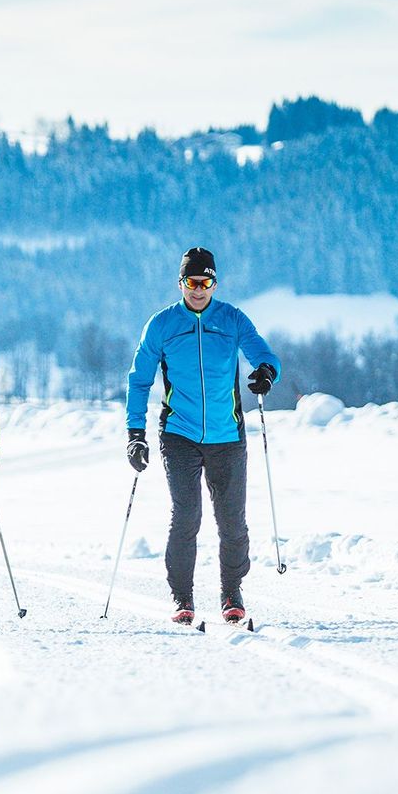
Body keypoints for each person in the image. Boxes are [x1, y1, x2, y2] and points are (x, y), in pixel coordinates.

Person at [125, 247, 281, 625]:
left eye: (206, 282)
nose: (199, 289)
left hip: (227, 435)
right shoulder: (161, 324)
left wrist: (265, 373)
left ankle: (231, 592)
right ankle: (183, 596)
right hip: (179, 433)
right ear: (181, 283)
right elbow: (139, 379)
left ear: (214, 283)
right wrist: (135, 432)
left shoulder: (232, 319)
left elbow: (265, 354)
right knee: (186, 516)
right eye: (192, 282)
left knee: (232, 521)